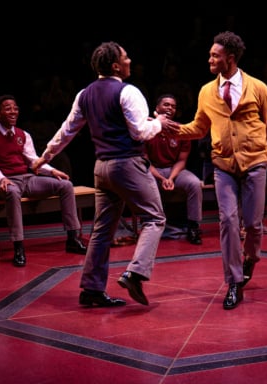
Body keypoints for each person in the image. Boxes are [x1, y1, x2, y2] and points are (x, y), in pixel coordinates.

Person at [32, 41, 177, 307]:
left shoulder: (85, 94)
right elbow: (139, 133)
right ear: (115, 66)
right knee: (154, 218)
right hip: (127, 165)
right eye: (126, 57)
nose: (130, 60)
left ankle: (91, 290)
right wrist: (158, 123)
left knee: (101, 230)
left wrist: (46, 156)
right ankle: (135, 273)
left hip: (102, 168)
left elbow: (68, 130)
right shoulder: (127, 91)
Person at [169, 31, 267, 310]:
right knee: (228, 221)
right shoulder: (207, 91)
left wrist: (265, 157)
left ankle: (251, 257)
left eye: (215, 55)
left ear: (229, 59)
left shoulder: (258, 88)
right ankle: (234, 281)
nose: (210, 59)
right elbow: (198, 128)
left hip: (255, 163)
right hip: (223, 165)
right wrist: (170, 130)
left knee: (252, 225)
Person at [0, 94, 87, 268]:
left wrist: (52, 171)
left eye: (15, 108)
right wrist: (2, 179)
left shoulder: (23, 134)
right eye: (8, 109)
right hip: (5, 181)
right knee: (12, 192)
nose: (13, 112)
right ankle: (18, 246)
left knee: (65, 185)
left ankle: (73, 238)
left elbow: (32, 160)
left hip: (27, 178)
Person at [145, 93, 203, 245]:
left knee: (194, 183)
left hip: (174, 171)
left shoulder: (181, 130)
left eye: (173, 106)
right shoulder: (147, 128)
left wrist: (170, 178)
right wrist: (161, 178)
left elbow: (182, 160)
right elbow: (144, 162)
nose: (170, 108)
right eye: (166, 104)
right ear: (157, 108)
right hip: (152, 171)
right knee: (143, 183)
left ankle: (193, 227)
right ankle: (151, 227)